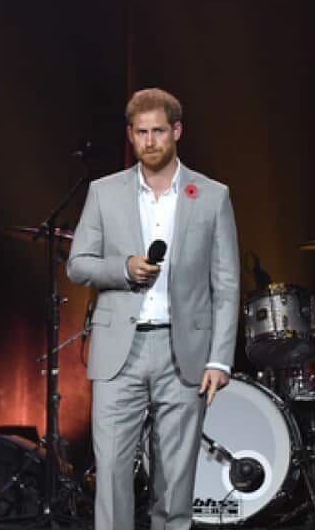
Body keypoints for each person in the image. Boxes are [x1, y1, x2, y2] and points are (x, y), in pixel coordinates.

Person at [66, 88, 240, 530]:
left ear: (176, 131)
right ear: (130, 136)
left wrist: (220, 357)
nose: (150, 141)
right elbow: (78, 264)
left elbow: (226, 283)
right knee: (111, 474)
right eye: (141, 132)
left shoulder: (212, 195)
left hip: (183, 351)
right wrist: (123, 268)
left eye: (158, 131)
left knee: (176, 477)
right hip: (118, 351)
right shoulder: (104, 193)